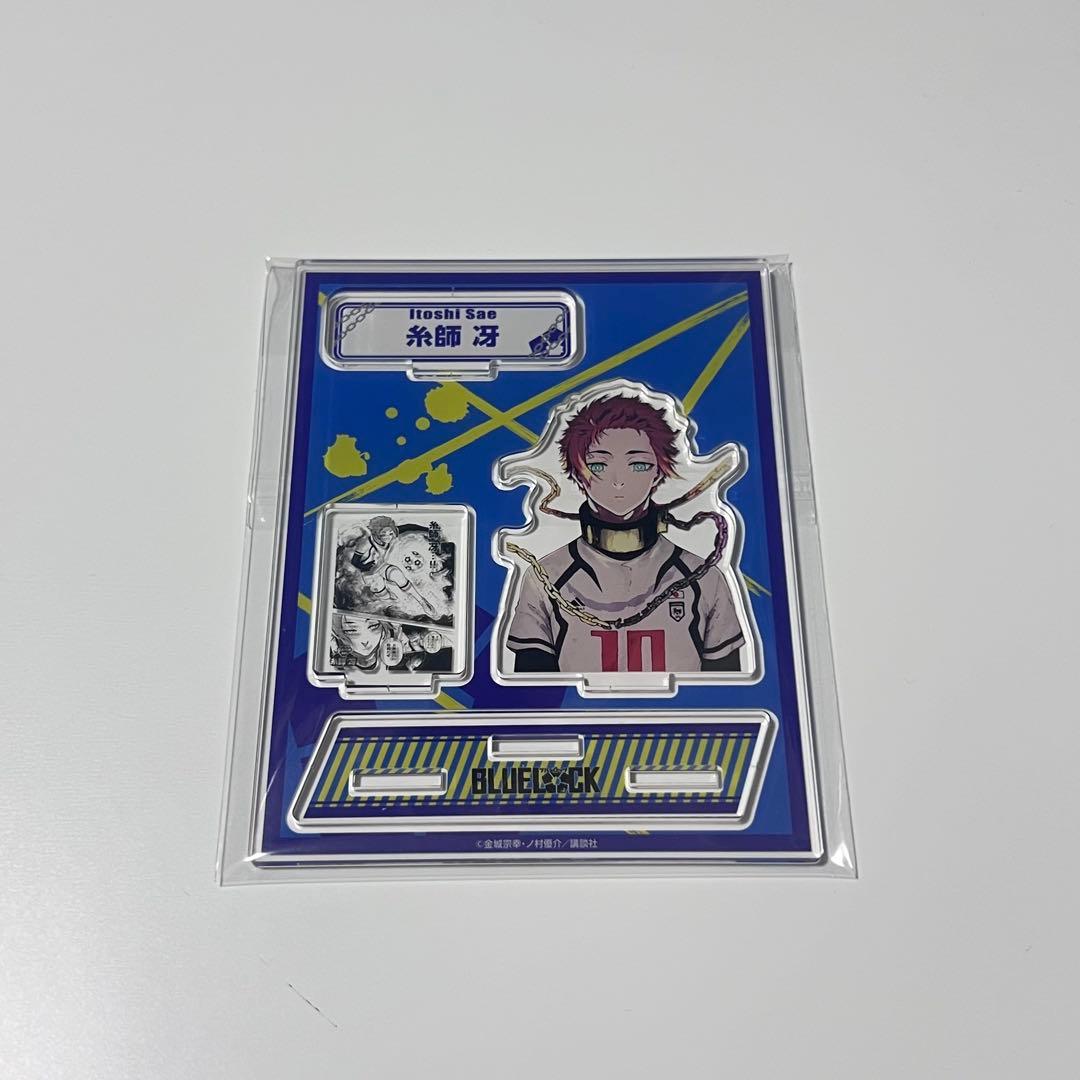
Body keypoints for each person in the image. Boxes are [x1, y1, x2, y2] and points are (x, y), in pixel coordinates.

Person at [504, 393, 747, 675]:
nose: (618, 481)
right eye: (598, 465)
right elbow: (535, 692)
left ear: (658, 473)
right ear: (578, 475)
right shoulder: (546, 577)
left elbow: (726, 691)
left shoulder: (703, 579)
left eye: (638, 465)